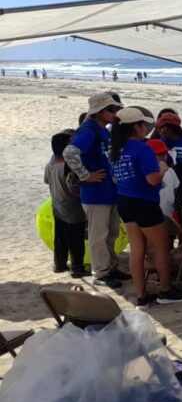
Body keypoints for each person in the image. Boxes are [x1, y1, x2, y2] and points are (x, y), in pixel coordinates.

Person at [110, 107, 182, 306]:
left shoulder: (114, 150)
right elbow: (152, 179)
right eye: (143, 125)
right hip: (144, 202)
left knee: (137, 249)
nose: (145, 129)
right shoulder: (142, 149)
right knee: (161, 246)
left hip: (124, 199)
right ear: (136, 127)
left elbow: (114, 178)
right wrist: (163, 168)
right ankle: (166, 289)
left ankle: (141, 295)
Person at [64, 93, 127, 288]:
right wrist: (85, 175)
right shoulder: (88, 131)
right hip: (95, 193)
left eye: (116, 109)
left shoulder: (101, 130)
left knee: (111, 233)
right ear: (98, 111)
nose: (114, 113)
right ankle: (100, 272)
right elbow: (69, 152)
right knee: (99, 235)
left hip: (107, 191)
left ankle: (110, 267)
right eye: (111, 109)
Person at [46, 131, 89, 278]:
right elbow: (75, 186)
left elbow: (47, 181)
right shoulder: (68, 168)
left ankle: (59, 264)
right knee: (76, 240)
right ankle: (77, 268)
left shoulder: (50, 165)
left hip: (57, 207)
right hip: (73, 210)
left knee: (60, 238)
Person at [146, 139, 179, 219]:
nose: (164, 156)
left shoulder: (170, 171)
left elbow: (177, 191)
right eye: (160, 154)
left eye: (165, 153)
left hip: (170, 215)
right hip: (150, 217)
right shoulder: (143, 173)